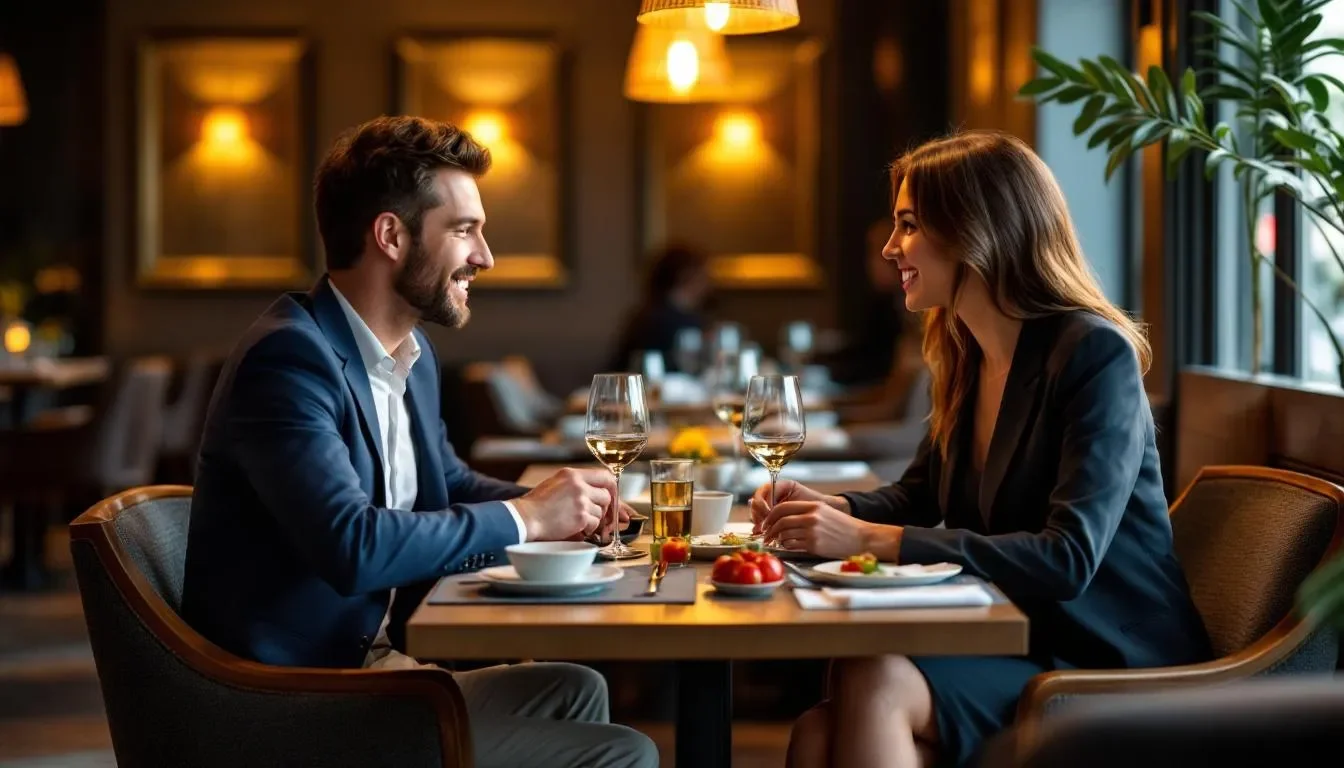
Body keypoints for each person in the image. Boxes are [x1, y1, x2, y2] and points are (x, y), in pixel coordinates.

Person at [180, 115, 658, 768]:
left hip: (369, 665)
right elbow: (351, 545)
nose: (484, 257)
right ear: (391, 236)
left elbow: (444, 485)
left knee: (574, 688)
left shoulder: (409, 352)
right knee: (622, 752)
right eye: (465, 230)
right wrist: (528, 516)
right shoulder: (290, 360)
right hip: (290, 703)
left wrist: (564, 506)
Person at [751, 129, 1212, 768]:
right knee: (819, 729)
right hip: (1016, 634)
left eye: (908, 226)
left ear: (975, 230)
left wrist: (865, 540)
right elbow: (916, 495)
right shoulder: (968, 354)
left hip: (1107, 659)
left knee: (870, 681)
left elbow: (1068, 557)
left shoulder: (1092, 354)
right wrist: (827, 506)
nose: (890, 249)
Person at [607, 242, 712, 372]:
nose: (706, 284)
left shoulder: (644, 315)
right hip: (650, 388)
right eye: (702, 276)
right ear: (686, 276)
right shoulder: (660, 320)